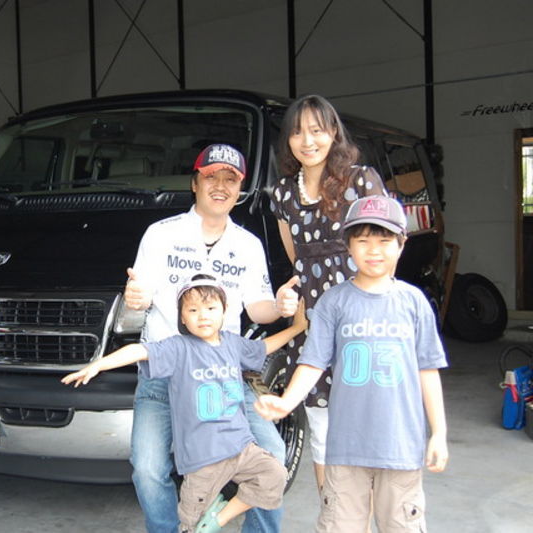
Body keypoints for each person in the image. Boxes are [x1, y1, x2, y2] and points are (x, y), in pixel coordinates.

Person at [124, 143, 300, 533]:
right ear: (195, 183)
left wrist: (280, 306)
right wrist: (136, 299)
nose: (220, 186)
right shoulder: (161, 234)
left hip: (224, 377)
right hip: (163, 377)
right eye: (211, 177)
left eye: (230, 179)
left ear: (240, 189)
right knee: (148, 468)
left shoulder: (248, 245)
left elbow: (257, 308)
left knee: (272, 454)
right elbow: (140, 298)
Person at [255, 195, 449, 532]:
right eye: (363, 241)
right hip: (345, 449)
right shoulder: (333, 302)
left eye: (384, 240)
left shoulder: (414, 302)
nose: (374, 250)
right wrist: (286, 402)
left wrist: (439, 433)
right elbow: (313, 362)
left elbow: (427, 370)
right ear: (348, 246)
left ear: (402, 244)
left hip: (400, 448)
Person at [63, 275, 307, 532]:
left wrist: (297, 328)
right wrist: (98, 365)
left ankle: (220, 518)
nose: (203, 316)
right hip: (203, 460)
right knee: (190, 525)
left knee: (274, 475)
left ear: (225, 310)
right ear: (182, 317)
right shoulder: (178, 348)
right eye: (193, 310)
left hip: (241, 447)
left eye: (211, 308)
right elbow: (139, 351)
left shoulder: (233, 344)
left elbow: (264, 347)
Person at [270, 94, 389, 491]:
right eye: (297, 132)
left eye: (317, 130)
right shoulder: (283, 193)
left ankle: (365, 510)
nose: (308, 141)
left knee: (366, 423)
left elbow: (384, 250)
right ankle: (332, 511)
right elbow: (298, 259)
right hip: (313, 321)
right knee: (321, 425)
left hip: (361, 318)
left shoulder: (361, 180)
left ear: (334, 132)